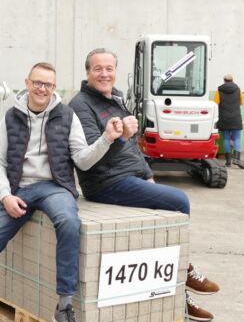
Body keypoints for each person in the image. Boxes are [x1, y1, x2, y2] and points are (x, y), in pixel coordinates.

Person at [0, 62, 124, 322]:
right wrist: (5, 196)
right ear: (27, 83)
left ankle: (64, 305)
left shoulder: (67, 115)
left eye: (47, 84)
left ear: (53, 87)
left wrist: (106, 138)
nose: (42, 89)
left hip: (54, 187)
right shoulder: (10, 117)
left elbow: (82, 159)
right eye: (37, 82)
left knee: (69, 222)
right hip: (19, 190)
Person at [68, 48, 220, 322]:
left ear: (116, 71)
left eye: (109, 68)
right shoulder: (80, 106)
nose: (104, 74)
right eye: (97, 69)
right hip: (105, 182)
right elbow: (91, 159)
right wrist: (118, 137)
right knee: (179, 201)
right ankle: (183, 272)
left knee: (161, 216)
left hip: (130, 176)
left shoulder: (115, 99)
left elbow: (134, 150)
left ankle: (175, 288)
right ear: (87, 72)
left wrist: (147, 173)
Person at [214, 74, 244, 169]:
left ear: (224, 80)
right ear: (232, 80)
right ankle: (236, 159)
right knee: (237, 138)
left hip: (224, 117)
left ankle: (228, 161)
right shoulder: (237, 89)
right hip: (235, 117)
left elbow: (216, 102)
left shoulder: (219, 89)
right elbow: (241, 102)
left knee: (226, 139)